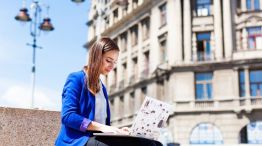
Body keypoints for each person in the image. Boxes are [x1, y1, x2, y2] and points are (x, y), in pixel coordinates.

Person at [55, 37, 129, 146]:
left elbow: (102, 123)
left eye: (114, 62)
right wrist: (103, 127)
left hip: (97, 139)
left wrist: (118, 131)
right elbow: (68, 116)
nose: (112, 66)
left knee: (151, 143)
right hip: (77, 141)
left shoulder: (102, 88)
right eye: (108, 60)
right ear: (97, 57)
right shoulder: (76, 78)